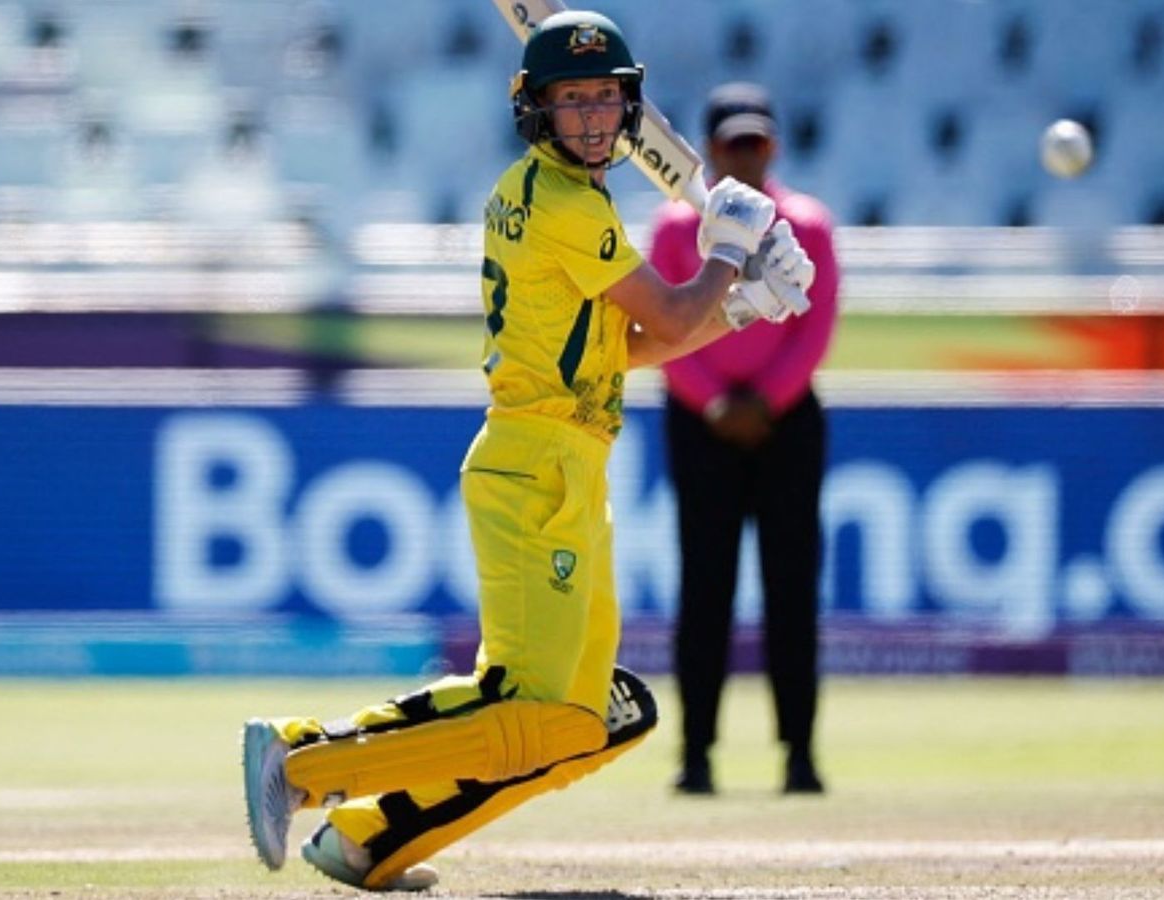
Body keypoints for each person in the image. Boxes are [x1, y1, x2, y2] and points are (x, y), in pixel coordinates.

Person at [239, 12, 815, 891]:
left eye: (604, 98)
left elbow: (627, 344)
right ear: (536, 109)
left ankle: (369, 840)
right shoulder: (561, 205)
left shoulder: (558, 197)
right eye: (571, 99)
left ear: (630, 107)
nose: (589, 116)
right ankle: (303, 758)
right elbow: (665, 314)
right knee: (531, 708)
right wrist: (730, 253)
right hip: (536, 464)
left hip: (570, 462)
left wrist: (740, 302)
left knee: (584, 725)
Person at [647, 82, 839, 796]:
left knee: (791, 591)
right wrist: (717, 403)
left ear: (774, 147)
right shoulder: (673, 228)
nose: (745, 156)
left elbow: (814, 329)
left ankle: (801, 755)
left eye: (756, 143)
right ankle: (696, 756)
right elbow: (667, 329)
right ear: (710, 149)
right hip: (703, 424)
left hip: (785, 424)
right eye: (732, 144)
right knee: (706, 588)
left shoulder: (808, 224)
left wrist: (764, 402)